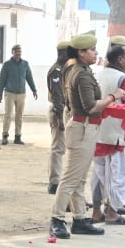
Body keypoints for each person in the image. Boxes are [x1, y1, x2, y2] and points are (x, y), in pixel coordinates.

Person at [50, 33, 125, 240]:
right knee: (70, 179)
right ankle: (57, 219)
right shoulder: (81, 74)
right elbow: (91, 106)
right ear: (81, 52)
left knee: (79, 178)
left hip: (84, 127)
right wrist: (113, 96)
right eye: (92, 50)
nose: (96, 53)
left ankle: (79, 219)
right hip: (83, 127)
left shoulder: (77, 69)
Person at [91, 38, 125, 225]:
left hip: (98, 131)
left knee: (98, 174)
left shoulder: (97, 74)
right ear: (120, 59)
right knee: (120, 174)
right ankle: (112, 212)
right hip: (119, 133)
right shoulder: (122, 79)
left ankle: (97, 211)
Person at [45, 40, 71, 197]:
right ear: (62, 53)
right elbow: (57, 96)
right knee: (57, 148)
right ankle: (54, 182)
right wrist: (60, 117)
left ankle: (56, 179)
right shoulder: (57, 71)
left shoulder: (65, 69)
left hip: (63, 110)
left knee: (60, 147)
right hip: (58, 111)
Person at [0, 44, 37, 145]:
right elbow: (2, 80)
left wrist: (34, 90)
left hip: (21, 94)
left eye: (19, 52)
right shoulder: (7, 65)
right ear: (12, 52)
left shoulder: (25, 64)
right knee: (8, 115)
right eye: (16, 52)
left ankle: (17, 137)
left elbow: (29, 78)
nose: (18, 53)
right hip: (9, 93)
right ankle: (5, 136)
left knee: (19, 116)